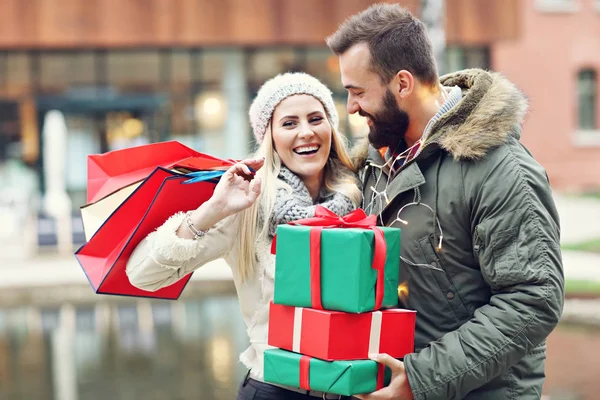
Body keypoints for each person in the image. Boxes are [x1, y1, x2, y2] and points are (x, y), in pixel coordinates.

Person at [326, 4, 564, 400]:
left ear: (402, 84)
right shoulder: (378, 156)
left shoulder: (502, 169)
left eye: (357, 92)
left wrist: (419, 381)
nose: (350, 107)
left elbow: (533, 300)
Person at [125, 72, 361, 400]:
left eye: (316, 119)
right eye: (289, 123)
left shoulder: (360, 197)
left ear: (331, 129)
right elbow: (141, 276)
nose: (306, 132)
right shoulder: (248, 207)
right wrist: (212, 211)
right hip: (275, 390)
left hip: (354, 389)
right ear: (271, 137)